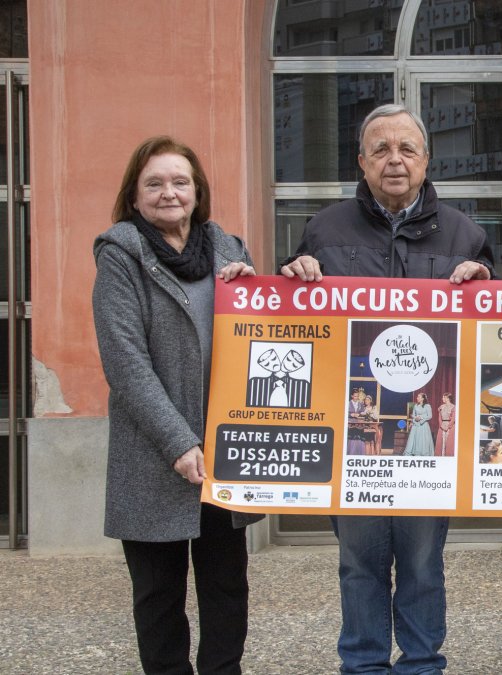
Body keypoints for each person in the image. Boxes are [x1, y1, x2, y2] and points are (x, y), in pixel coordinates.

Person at [280, 103, 493, 674]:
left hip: (429, 453)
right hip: (353, 440)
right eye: (381, 150)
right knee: (358, 563)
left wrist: (486, 283)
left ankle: (423, 665)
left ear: (426, 160)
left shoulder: (465, 234)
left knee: (424, 563)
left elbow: (491, 336)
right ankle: (364, 665)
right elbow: (294, 322)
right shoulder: (324, 229)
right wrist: (291, 274)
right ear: (361, 162)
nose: (393, 160)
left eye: (406, 149)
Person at [93, 136, 262, 674]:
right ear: (135, 196)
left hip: (226, 449)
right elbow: (125, 362)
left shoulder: (229, 249)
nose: (170, 193)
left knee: (226, 589)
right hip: (153, 455)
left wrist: (257, 290)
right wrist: (178, 441)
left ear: (197, 191)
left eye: (180, 181)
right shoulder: (121, 256)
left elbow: (265, 335)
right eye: (155, 183)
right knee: (158, 597)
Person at [404, 392, 435, 457]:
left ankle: (423, 453)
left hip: (423, 425)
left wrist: (421, 417)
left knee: (422, 439)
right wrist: (413, 420)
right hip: (416, 425)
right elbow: (413, 415)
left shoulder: (427, 406)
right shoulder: (416, 406)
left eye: (419, 397)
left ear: (422, 398)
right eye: (417, 397)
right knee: (415, 439)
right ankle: (415, 452)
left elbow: (430, 416)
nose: (417, 398)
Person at [435, 392, 455, 457]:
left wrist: (448, 426)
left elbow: (454, 418)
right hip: (442, 426)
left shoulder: (453, 407)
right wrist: (441, 425)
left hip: (450, 427)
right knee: (441, 442)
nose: (442, 398)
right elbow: (439, 417)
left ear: (448, 398)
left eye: (444, 397)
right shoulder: (441, 407)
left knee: (449, 443)